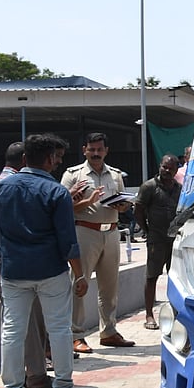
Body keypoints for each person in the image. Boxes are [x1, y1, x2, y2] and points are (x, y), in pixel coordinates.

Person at [0, 133, 88, 388]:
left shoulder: (0, 189)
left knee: (12, 332)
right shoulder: (57, 192)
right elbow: (68, 241)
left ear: (24, 158)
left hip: (13, 272)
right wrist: (80, 274)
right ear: (51, 160)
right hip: (51, 272)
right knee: (60, 330)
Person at [61, 133, 135, 351]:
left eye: (99, 150)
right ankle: (76, 334)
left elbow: (124, 201)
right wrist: (86, 201)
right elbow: (60, 207)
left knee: (110, 286)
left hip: (111, 233)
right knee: (80, 284)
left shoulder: (116, 175)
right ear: (84, 149)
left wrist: (123, 207)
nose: (95, 153)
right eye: (91, 149)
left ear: (106, 151)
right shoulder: (73, 175)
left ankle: (109, 331)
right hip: (84, 232)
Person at [134, 154, 181, 330]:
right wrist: (147, 231)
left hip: (175, 240)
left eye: (171, 168)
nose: (167, 171)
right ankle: (148, 314)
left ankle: (176, 311)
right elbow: (138, 211)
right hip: (156, 240)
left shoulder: (179, 189)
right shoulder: (149, 187)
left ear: (177, 170)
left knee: (175, 277)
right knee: (152, 276)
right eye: (164, 167)